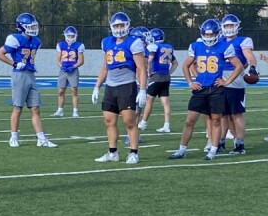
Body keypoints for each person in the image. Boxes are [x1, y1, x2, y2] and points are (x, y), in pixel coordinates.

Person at [168, 18, 242, 161]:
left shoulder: (224, 46)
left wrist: (226, 81)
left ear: (217, 33)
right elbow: (185, 65)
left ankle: (213, 150)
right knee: (189, 120)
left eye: (211, 34)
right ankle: (181, 149)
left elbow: (238, 66)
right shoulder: (196, 46)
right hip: (200, 88)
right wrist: (190, 82)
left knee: (215, 120)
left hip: (215, 89)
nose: (208, 37)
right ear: (202, 34)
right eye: (206, 35)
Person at [90, 11, 148, 164]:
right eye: (116, 25)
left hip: (126, 85)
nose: (119, 28)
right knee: (109, 121)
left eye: (122, 25)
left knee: (129, 121)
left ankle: (134, 153)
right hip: (110, 85)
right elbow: (105, 66)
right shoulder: (107, 42)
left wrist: (142, 89)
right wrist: (97, 86)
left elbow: (141, 68)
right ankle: (112, 152)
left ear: (127, 25)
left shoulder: (133, 42)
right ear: (111, 27)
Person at [0, 12, 56, 147]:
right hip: (19, 74)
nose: (33, 28)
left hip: (31, 74)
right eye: (30, 26)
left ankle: (41, 139)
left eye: (34, 26)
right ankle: (13, 137)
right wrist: (14, 63)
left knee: (35, 108)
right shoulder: (15, 39)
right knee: (18, 107)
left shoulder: (36, 41)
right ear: (22, 27)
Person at [216, 13, 256, 154]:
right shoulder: (219, 40)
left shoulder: (243, 41)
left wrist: (252, 68)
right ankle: (220, 143)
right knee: (223, 114)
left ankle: (239, 144)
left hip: (235, 78)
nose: (228, 28)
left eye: (231, 25)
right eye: (226, 25)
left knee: (236, 113)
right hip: (220, 79)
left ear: (237, 26)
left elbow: (249, 57)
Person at [138, 27, 176, 133]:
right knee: (166, 103)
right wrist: (169, 72)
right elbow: (175, 63)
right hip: (166, 77)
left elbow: (149, 60)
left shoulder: (153, 46)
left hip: (156, 77)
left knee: (149, 100)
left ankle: (143, 122)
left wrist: (149, 72)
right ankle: (167, 125)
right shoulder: (168, 47)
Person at [53, 26, 84, 118]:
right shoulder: (60, 45)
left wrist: (73, 66)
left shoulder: (79, 45)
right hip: (63, 70)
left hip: (73, 70)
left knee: (74, 90)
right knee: (61, 91)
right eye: (69, 36)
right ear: (66, 35)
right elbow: (58, 60)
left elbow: (81, 61)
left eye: (72, 36)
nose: (70, 37)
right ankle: (60, 110)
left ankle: (75, 111)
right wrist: (62, 66)